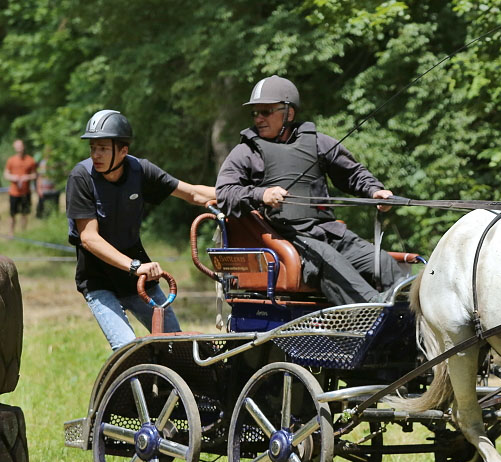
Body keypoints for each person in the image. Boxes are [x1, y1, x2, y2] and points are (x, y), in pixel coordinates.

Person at [215, 75, 405, 305]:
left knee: (384, 264)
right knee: (329, 260)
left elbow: (352, 174)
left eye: (266, 111)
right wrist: (261, 194)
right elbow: (224, 193)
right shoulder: (246, 152)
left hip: (330, 234)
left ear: (289, 113)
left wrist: (375, 191)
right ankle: (376, 311)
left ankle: (406, 315)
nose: (259, 118)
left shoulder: (318, 144)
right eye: (255, 112)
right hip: (287, 241)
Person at [66, 109, 216, 350]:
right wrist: (135, 266)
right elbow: (89, 238)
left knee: (176, 345)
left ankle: (168, 387)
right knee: (126, 349)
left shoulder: (140, 170)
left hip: (138, 277)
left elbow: (192, 193)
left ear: (123, 151)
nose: (96, 154)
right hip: (98, 279)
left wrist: (245, 195)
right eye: (93, 148)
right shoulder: (81, 177)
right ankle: (129, 386)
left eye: (103, 148)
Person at [3, 140, 38, 235]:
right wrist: (13, 177)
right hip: (14, 193)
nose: (19, 148)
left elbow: (35, 175)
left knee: (25, 213)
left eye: (20, 146)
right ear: (14, 148)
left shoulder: (30, 160)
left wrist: (27, 177)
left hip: (26, 192)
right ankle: (11, 233)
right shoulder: (11, 160)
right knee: (12, 214)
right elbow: (6, 174)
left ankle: (23, 233)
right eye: (17, 146)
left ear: (24, 146)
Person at [35, 151, 60, 218]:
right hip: (44, 190)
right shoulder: (42, 163)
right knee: (42, 211)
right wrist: (39, 189)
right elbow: (40, 176)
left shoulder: (56, 163)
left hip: (54, 190)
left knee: (54, 210)